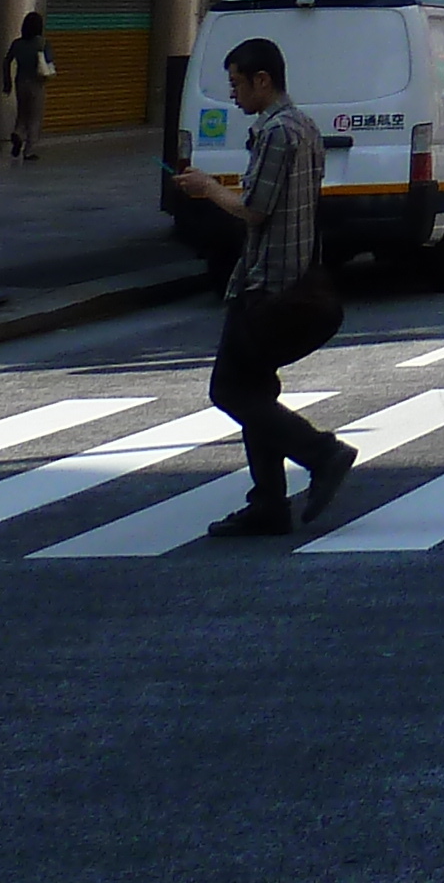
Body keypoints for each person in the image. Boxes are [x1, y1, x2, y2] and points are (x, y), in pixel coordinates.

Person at [169, 36, 357, 538]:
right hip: (289, 276)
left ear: (263, 80)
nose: (233, 94)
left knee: (230, 389)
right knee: (254, 388)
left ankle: (322, 454)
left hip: (268, 283)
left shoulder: (276, 132)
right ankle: (269, 503)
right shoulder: (306, 127)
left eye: (236, 83)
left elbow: (255, 210)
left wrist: (208, 188)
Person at [1, 11, 54, 162]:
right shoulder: (43, 43)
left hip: (20, 82)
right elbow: (49, 62)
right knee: (35, 117)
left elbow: (7, 61)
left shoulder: (17, 44)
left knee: (22, 113)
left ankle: (18, 133)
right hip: (36, 83)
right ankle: (29, 150)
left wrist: (7, 82)